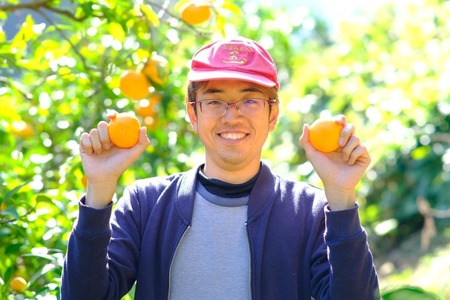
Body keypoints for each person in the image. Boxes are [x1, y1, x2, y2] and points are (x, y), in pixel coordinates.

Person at [61, 36, 379, 299]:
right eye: (215, 101)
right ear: (193, 113)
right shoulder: (147, 204)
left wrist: (340, 195)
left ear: (272, 115)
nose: (231, 116)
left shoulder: (309, 212)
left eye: (249, 100)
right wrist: (99, 188)